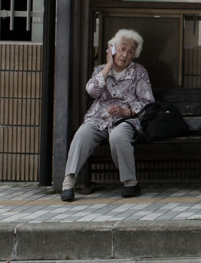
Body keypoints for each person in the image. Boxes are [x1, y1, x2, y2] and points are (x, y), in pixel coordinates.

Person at [60, 29, 154, 201]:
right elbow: (91, 91)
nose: (125, 55)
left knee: (118, 137)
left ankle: (130, 183)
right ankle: (68, 182)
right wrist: (109, 65)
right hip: (98, 118)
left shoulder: (139, 72)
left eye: (130, 51)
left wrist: (125, 111)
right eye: (122, 49)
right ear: (113, 48)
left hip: (125, 120)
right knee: (82, 134)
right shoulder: (101, 70)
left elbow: (147, 102)